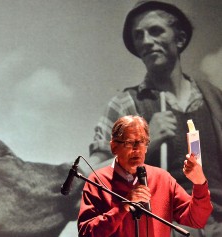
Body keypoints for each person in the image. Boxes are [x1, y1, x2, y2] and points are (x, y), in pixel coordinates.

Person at [88, 1, 222, 236]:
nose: (146, 41)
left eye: (156, 31)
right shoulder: (124, 105)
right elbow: (92, 178)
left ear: (179, 39)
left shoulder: (216, 101)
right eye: (138, 35)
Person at [79, 115, 212, 237]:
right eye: (129, 142)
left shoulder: (163, 179)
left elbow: (197, 220)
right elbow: (86, 233)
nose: (137, 149)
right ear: (114, 147)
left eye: (142, 142)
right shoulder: (97, 180)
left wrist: (199, 183)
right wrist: (122, 208)